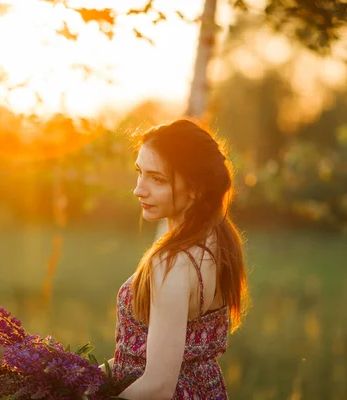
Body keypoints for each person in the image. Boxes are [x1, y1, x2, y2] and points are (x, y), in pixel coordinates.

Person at [102, 119, 250, 400]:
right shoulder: (218, 242)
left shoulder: (172, 265)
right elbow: (142, 357)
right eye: (139, 173)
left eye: (157, 179)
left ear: (195, 188)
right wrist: (74, 378)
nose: (139, 189)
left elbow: (157, 386)